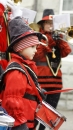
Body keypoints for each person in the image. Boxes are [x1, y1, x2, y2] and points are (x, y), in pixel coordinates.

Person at [1, 1, 47, 130]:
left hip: (28, 120)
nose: (36, 50)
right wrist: (20, 123)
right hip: (21, 122)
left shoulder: (25, 66)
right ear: (21, 48)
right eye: (32, 46)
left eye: (36, 47)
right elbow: (12, 99)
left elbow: (26, 89)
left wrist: (37, 91)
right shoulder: (17, 70)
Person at [34, 9, 72, 130]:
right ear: (42, 24)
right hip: (41, 82)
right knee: (36, 113)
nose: (51, 25)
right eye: (48, 23)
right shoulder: (37, 36)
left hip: (56, 83)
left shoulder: (58, 37)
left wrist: (60, 40)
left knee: (50, 115)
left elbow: (67, 52)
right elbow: (37, 55)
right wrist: (48, 41)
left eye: (52, 23)